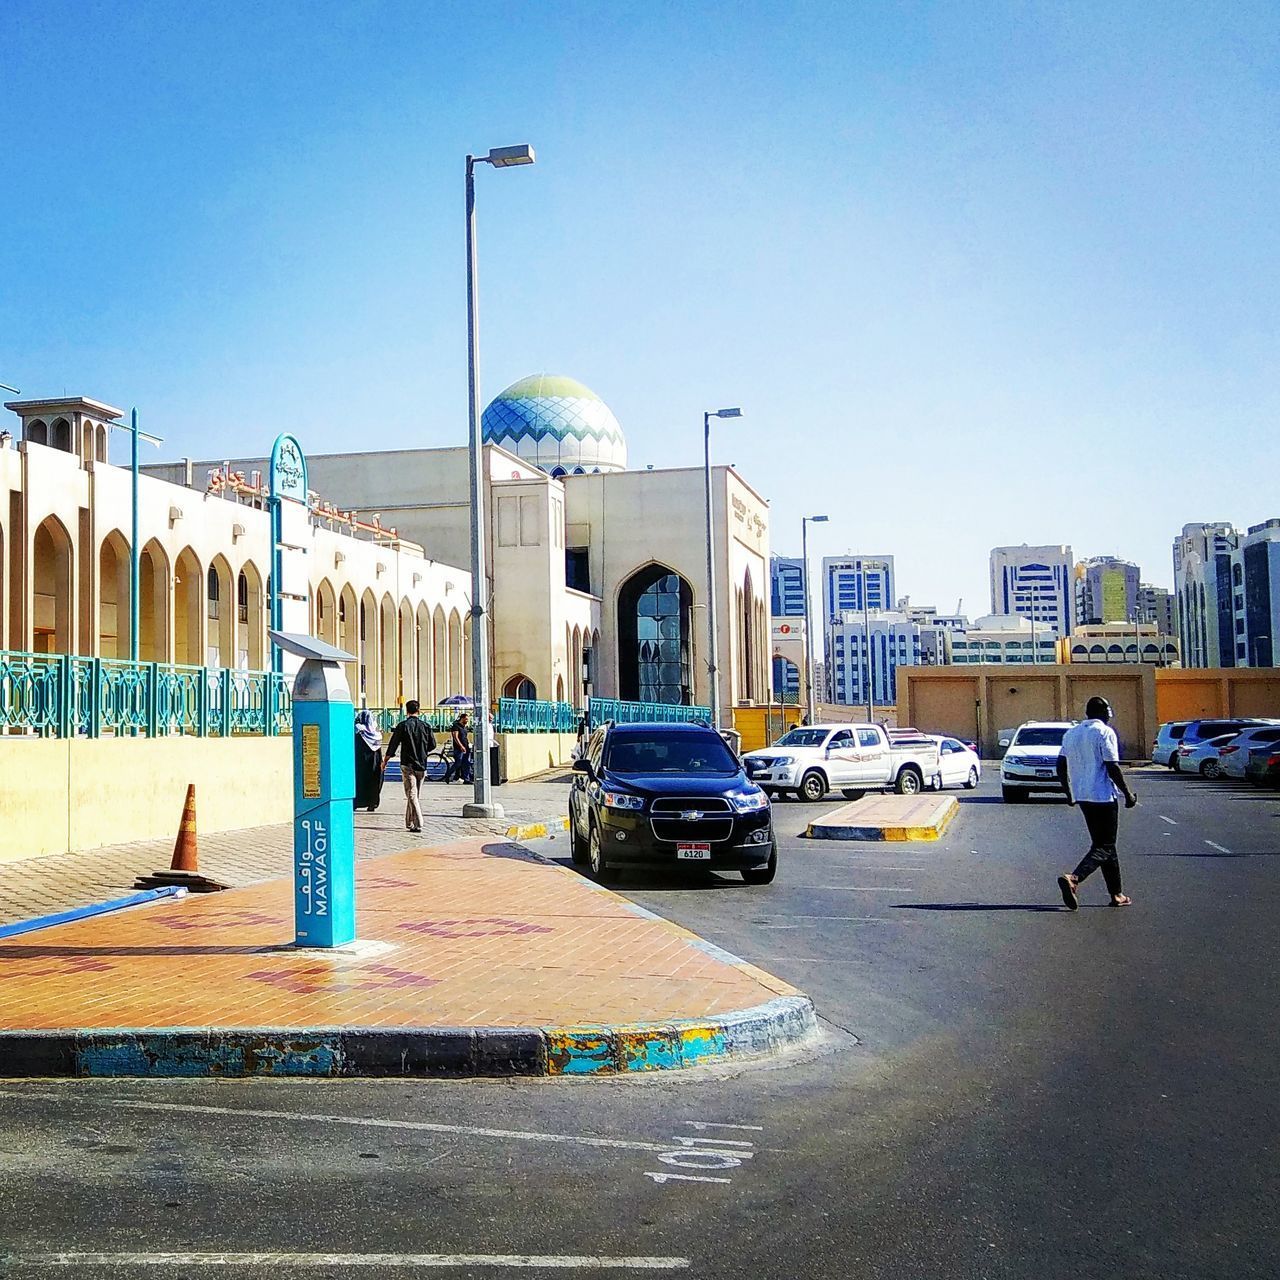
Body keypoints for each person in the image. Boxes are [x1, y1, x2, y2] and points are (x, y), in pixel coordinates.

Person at [1056, 696, 1138, 910]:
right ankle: (1074, 878)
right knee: (1105, 845)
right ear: (1104, 712)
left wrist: (1068, 793)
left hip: (1083, 796)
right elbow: (1112, 766)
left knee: (1104, 845)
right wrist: (1128, 793)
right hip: (1102, 796)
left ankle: (1117, 894)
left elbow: (1060, 765)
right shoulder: (1104, 732)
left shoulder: (1071, 733)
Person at [382, 700, 436, 833]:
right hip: (421, 765)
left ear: (407, 711)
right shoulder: (426, 726)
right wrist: (423, 751)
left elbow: (393, 744)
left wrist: (385, 761)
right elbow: (433, 745)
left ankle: (418, 822)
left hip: (408, 764)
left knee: (412, 794)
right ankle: (409, 822)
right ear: (419, 710)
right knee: (414, 794)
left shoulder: (402, 726)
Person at [353, 709, 384, 812]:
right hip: (375, 762)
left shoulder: (358, 731)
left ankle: (358, 802)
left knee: (359, 781)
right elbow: (379, 750)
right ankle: (372, 803)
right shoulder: (377, 733)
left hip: (360, 762)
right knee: (374, 782)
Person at [447, 710, 473, 784]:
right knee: (458, 763)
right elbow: (455, 737)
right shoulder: (456, 726)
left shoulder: (464, 727)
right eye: (466, 719)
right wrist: (461, 746)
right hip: (459, 748)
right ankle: (448, 775)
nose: (467, 720)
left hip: (466, 747)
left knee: (466, 763)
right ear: (462, 718)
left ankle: (466, 779)